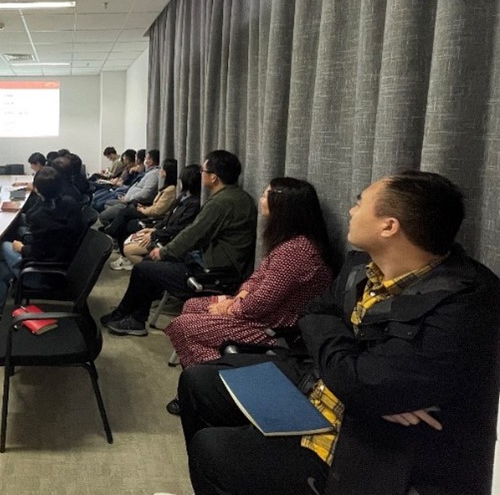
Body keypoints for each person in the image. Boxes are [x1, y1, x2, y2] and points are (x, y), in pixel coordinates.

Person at [177, 170, 500, 495]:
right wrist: (363, 379)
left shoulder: (465, 300)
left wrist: (364, 382)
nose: (350, 211)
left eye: (360, 203)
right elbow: (315, 313)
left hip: (365, 442)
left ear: (389, 226)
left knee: (212, 448)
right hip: (321, 383)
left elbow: (364, 383)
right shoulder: (360, 266)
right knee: (198, 383)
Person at [164, 177, 333, 368]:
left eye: (265, 195)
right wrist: (239, 297)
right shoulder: (288, 243)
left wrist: (230, 309)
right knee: (192, 305)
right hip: (259, 312)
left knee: (185, 324)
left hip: (273, 327)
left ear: (282, 205)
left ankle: (214, 374)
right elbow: (258, 276)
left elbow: (261, 302)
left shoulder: (297, 251)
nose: (261, 199)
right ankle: (205, 369)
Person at [101, 150, 257, 337]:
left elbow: (193, 234)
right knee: (147, 266)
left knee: (144, 268)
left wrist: (165, 252)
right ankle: (127, 314)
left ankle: (133, 319)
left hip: (214, 272)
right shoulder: (239, 198)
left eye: (203, 171)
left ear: (214, 177)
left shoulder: (221, 203)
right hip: (216, 263)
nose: (201, 174)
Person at [0, 167, 85, 328]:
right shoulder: (70, 203)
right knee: (1, 269)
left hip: (44, 274)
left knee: (4, 245)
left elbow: (38, 253)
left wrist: (21, 248)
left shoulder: (40, 217)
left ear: (37, 188)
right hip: (67, 262)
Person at [110, 162, 200, 270]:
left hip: (169, 239)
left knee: (128, 249)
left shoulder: (193, 204)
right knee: (127, 229)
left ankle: (150, 269)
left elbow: (178, 228)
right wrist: (154, 229)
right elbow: (168, 218)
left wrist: (154, 234)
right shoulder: (182, 197)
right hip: (162, 231)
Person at [104, 158, 179, 266]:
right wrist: (144, 206)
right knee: (126, 214)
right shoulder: (166, 187)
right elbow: (156, 206)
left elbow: (157, 210)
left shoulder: (170, 190)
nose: (160, 171)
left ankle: (111, 232)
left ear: (167, 172)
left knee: (125, 214)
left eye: (162, 169)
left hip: (154, 217)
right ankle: (115, 237)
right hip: (150, 212)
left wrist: (143, 209)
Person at [97, 148, 161, 225]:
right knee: (106, 203)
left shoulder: (153, 175)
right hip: (126, 197)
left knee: (102, 213)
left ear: (151, 161)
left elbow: (146, 193)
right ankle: (116, 223)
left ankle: (115, 226)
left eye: (147, 158)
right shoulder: (148, 172)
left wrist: (128, 198)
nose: (145, 160)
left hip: (133, 202)